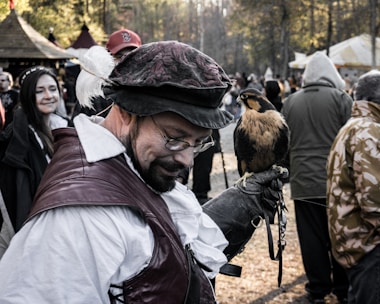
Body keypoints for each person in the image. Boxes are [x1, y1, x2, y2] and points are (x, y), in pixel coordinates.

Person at [0, 41, 286, 303]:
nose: (187, 160)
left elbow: (164, 250)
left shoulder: (134, 163)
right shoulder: (77, 220)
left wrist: (241, 203)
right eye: (175, 137)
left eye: (198, 143)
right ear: (126, 113)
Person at [281, 51, 353, 304]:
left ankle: (318, 288)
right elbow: (351, 140)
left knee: (311, 238)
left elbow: (283, 144)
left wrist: (287, 171)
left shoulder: (290, 103)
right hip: (337, 182)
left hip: (303, 182)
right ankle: (343, 288)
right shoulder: (341, 99)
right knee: (340, 236)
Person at [0, 66, 67, 256]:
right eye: (40, 91)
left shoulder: (63, 127)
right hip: (27, 224)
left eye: (53, 89)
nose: (48, 95)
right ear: (29, 95)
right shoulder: (17, 137)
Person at [327, 70, 380, 304]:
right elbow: (374, 200)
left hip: (355, 243)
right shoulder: (368, 131)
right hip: (370, 248)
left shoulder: (352, 126)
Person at [70, 28, 142, 121]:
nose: (126, 61)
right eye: (119, 56)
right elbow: (73, 130)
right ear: (108, 58)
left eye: (132, 55)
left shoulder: (152, 93)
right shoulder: (94, 94)